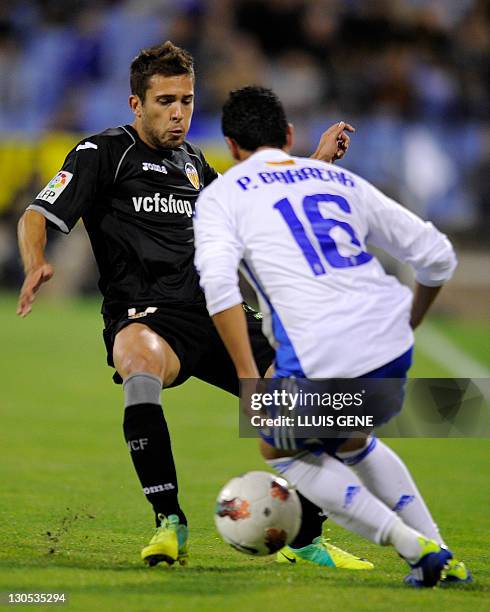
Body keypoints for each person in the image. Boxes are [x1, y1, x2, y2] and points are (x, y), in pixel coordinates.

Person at [16, 41, 369, 570]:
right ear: (137, 104)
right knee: (136, 360)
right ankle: (169, 521)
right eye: (165, 101)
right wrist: (36, 261)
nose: (178, 112)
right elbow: (36, 215)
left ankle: (302, 535)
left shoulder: (195, 163)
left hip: (215, 312)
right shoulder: (102, 153)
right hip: (148, 315)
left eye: (185, 99)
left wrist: (315, 160)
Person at [193, 85, 472, 587]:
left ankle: (418, 549)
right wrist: (409, 324)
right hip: (391, 346)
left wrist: (248, 379)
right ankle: (443, 552)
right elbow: (437, 256)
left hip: (322, 352)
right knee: (349, 437)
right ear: (290, 134)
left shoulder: (221, 196)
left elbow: (218, 288)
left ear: (231, 147)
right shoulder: (336, 179)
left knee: (280, 450)